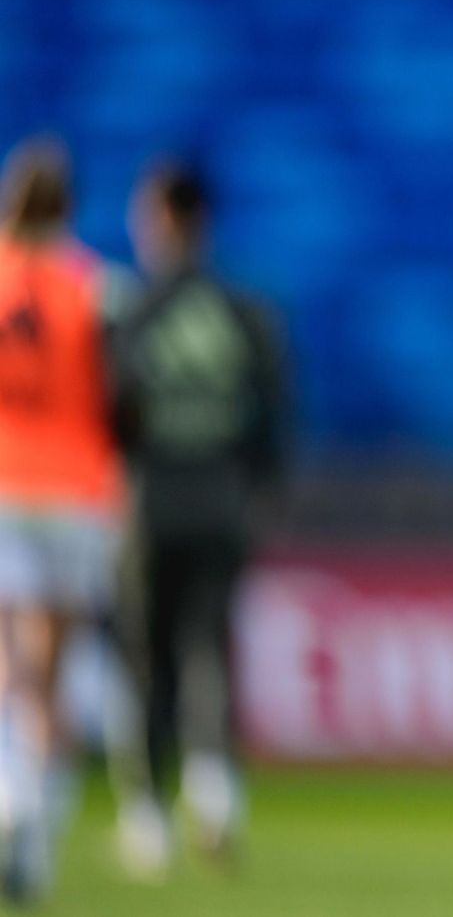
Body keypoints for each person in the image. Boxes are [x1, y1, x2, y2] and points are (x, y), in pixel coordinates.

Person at [107, 161, 287, 876]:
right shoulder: (246, 313)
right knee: (210, 646)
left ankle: (146, 815)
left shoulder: (133, 312)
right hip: (222, 505)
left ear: (161, 219)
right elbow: (274, 415)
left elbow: (113, 414)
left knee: (147, 660)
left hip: (149, 504)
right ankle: (214, 795)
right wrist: (262, 491)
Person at [0, 134, 127, 901]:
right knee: (59, 670)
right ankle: (40, 830)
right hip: (82, 493)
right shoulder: (99, 287)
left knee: (8, 658)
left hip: (5, 488)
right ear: (70, 207)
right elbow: (128, 399)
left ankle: (10, 791)